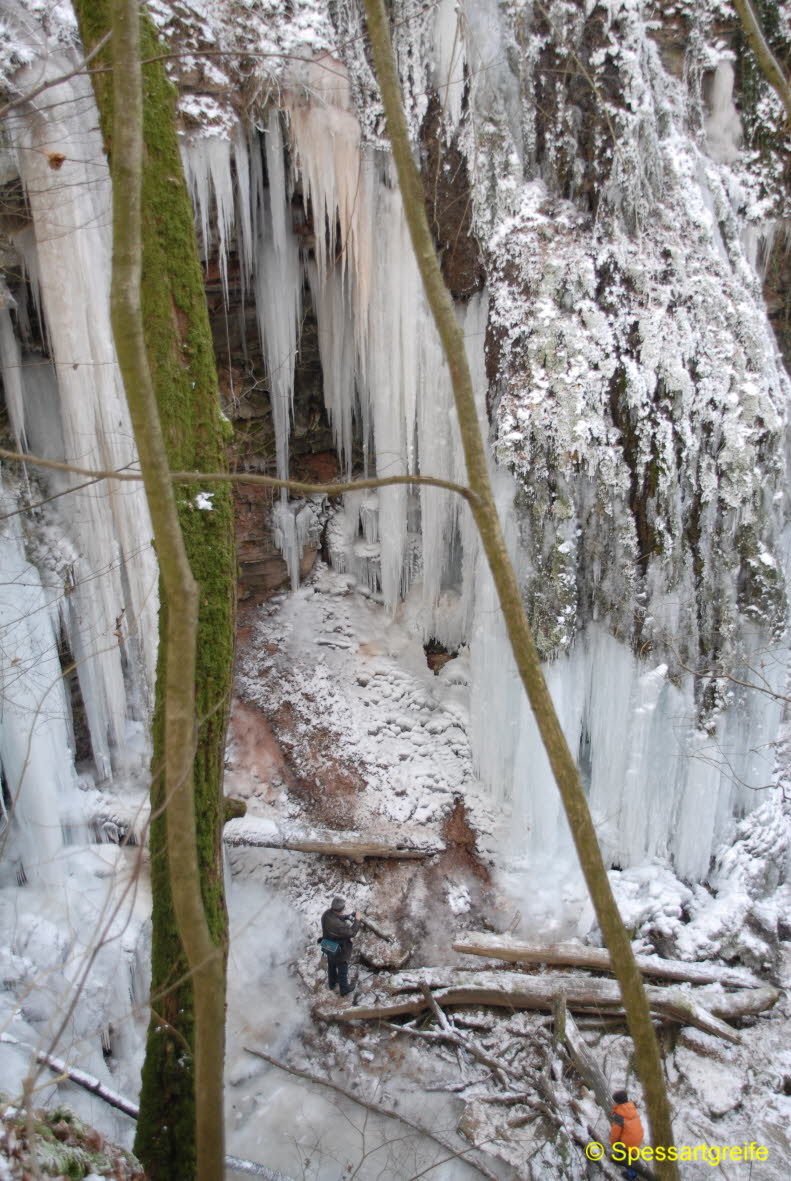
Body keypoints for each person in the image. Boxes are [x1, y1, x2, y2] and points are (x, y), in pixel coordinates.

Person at [321, 896, 361, 996]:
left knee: (331, 965)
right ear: (340, 909)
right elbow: (352, 932)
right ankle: (344, 989)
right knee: (342, 969)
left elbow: (336, 917)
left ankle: (332, 984)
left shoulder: (327, 914)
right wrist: (357, 920)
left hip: (328, 945)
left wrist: (347, 916)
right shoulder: (338, 925)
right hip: (340, 949)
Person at [609, 1090, 644, 1179]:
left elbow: (615, 1132)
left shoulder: (619, 1114)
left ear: (617, 1101)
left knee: (623, 1153)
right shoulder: (631, 1108)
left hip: (629, 1141)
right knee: (631, 1154)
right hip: (638, 1137)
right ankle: (635, 1172)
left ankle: (631, 1176)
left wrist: (613, 1142)